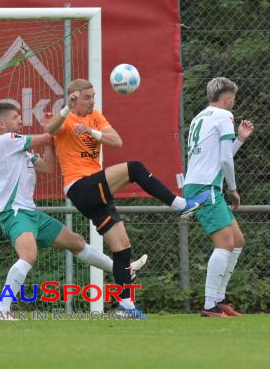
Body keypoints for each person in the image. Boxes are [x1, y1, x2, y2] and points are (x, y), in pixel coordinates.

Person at [45, 79, 211, 318]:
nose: (92, 100)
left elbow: (117, 141)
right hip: (81, 186)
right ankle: (181, 205)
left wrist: (92, 131)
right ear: (73, 98)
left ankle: (126, 307)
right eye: (87, 97)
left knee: (122, 248)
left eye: (93, 96)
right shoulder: (66, 118)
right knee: (134, 168)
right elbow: (50, 130)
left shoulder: (95, 117)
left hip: (94, 190)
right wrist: (66, 109)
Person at [0, 103, 148, 320]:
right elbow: (46, 137)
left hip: (31, 213)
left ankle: (123, 269)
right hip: (14, 212)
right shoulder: (4, 141)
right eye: (16, 117)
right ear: (1, 123)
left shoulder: (21, 151)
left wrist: (54, 138)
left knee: (76, 242)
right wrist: (62, 119)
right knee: (28, 256)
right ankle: (2, 311)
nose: (20, 120)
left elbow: (47, 166)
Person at [183, 77, 254, 317]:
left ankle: (219, 299)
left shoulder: (200, 117)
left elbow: (221, 155)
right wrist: (233, 188)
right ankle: (209, 305)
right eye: (233, 97)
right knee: (225, 244)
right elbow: (224, 160)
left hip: (201, 185)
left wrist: (240, 139)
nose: (234, 101)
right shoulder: (224, 116)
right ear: (228, 98)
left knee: (237, 240)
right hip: (205, 188)